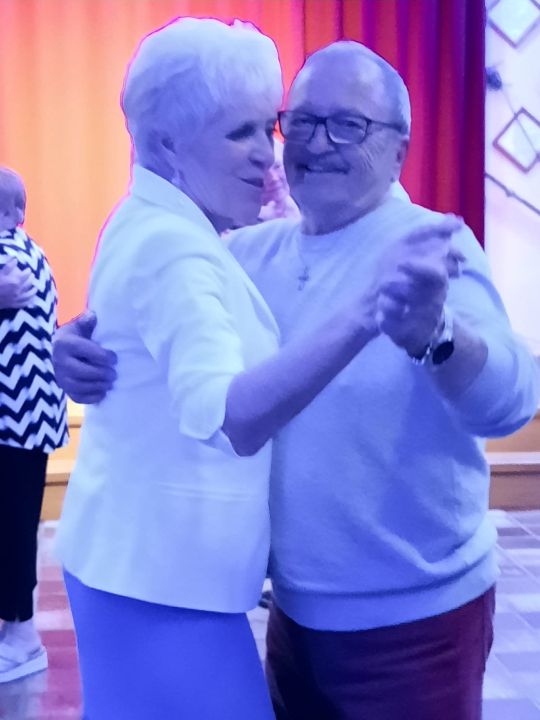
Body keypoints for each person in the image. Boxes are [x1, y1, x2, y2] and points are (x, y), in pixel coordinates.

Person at [52, 40, 536, 719]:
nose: (317, 143)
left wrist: (440, 337)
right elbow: (157, 311)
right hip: (293, 619)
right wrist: (76, 344)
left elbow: (512, 401)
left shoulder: (429, 247)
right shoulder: (249, 251)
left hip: (412, 626)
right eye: (300, 122)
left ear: (399, 149)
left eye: (349, 125)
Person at [0, 167, 68, 683]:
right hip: (27, 418)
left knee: (13, 528)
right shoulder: (28, 251)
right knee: (15, 526)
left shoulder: (8, 257)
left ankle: (22, 638)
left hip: (14, 421)